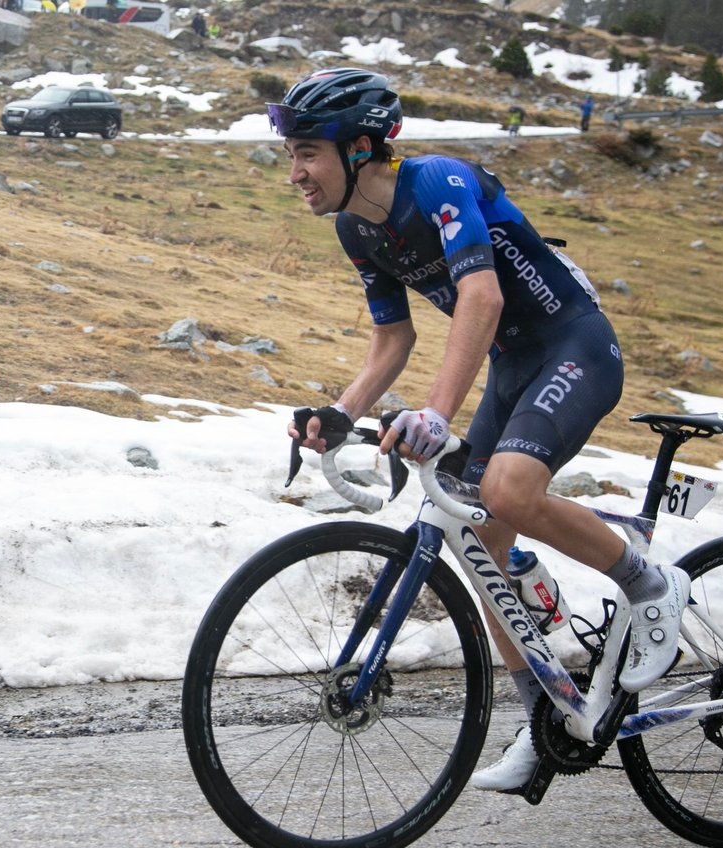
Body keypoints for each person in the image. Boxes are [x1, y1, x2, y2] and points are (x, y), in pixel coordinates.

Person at [271, 68, 690, 793]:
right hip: (511, 364)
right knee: (483, 544)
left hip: (573, 345)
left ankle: (649, 584)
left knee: (506, 489)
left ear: (362, 146)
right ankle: (547, 717)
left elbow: (482, 294)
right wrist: (341, 412)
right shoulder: (356, 227)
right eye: (292, 155)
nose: (296, 173)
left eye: (308, 152)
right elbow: (391, 340)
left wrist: (436, 412)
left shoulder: (438, 183)